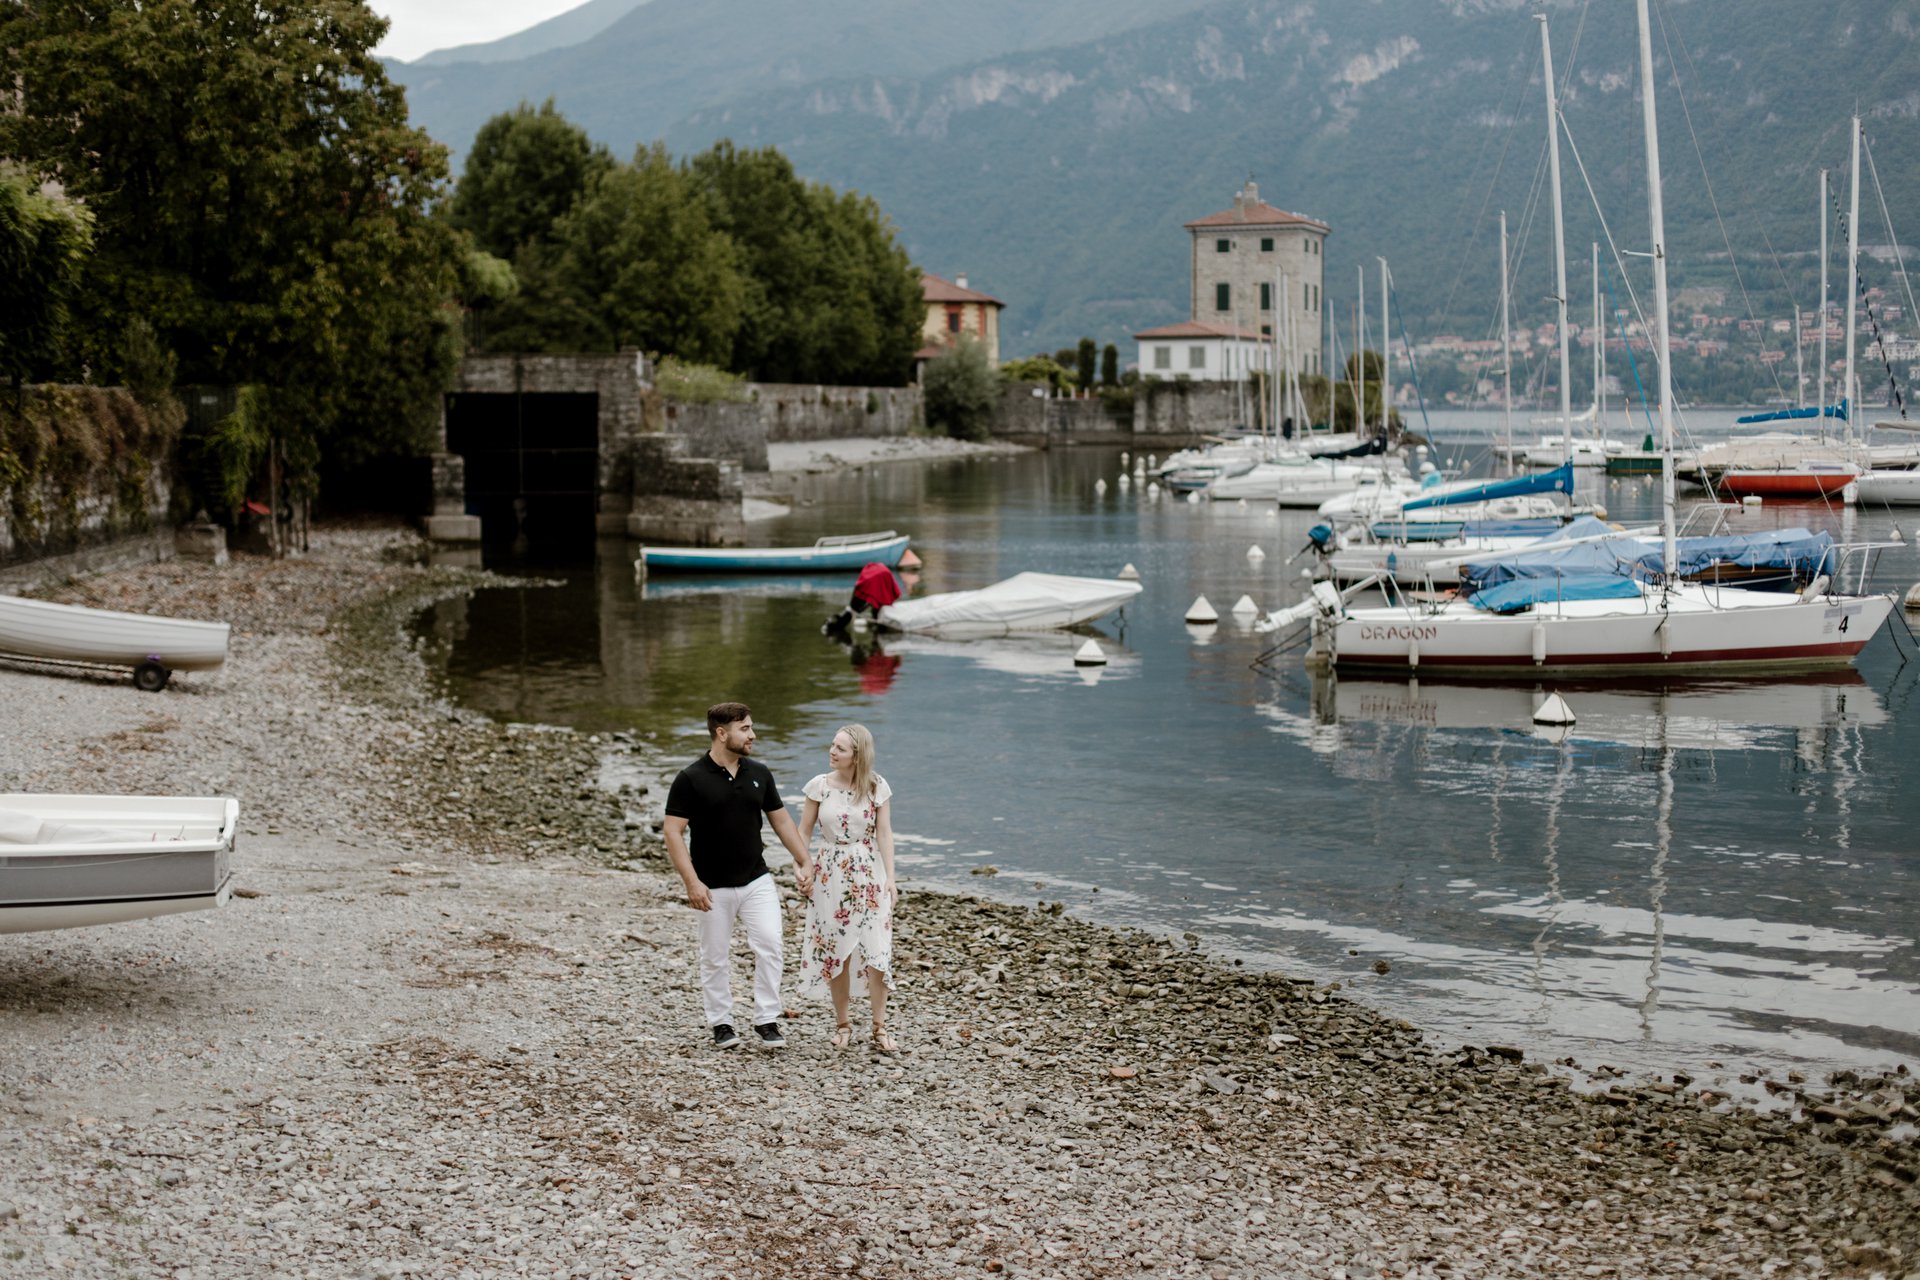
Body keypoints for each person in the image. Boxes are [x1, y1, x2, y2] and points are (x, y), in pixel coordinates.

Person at [663, 702, 815, 1050]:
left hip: (756, 879)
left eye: (751, 728)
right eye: (745, 729)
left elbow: (780, 821)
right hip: (711, 886)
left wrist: (804, 861)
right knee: (714, 956)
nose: (753, 735)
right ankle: (722, 1023)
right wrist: (692, 882)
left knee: (771, 944)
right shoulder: (691, 778)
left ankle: (766, 1018)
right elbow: (673, 832)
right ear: (722, 733)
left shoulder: (759, 771)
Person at [797, 724, 899, 1054]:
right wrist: (803, 868)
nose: (832, 751)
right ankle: (843, 1024)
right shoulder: (819, 786)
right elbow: (804, 831)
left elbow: (884, 834)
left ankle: (879, 1026)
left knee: (877, 950)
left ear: (857, 756)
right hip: (830, 875)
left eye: (840, 748)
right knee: (837, 950)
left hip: (869, 872)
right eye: (832, 745)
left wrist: (891, 879)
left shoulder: (876, 786)